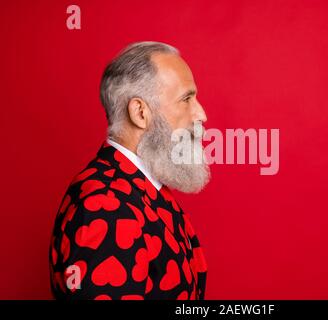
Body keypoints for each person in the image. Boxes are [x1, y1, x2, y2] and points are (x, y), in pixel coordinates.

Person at [49, 42, 210, 300]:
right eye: (186, 99)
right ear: (140, 112)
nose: (201, 114)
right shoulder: (103, 205)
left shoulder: (144, 186)